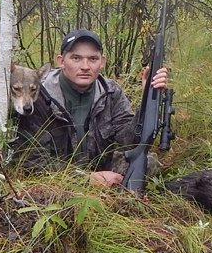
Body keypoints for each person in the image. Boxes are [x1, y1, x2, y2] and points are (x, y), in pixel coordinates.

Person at [13, 28, 170, 187]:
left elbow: (129, 141)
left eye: (93, 59)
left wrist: (147, 98)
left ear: (102, 62)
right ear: (61, 61)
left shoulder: (110, 92)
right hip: (58, 176)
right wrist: (87, 179)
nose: (85, 66)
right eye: (76, 58)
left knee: (149, 163)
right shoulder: (37, 96)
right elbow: (32, 163)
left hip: (99, 166)